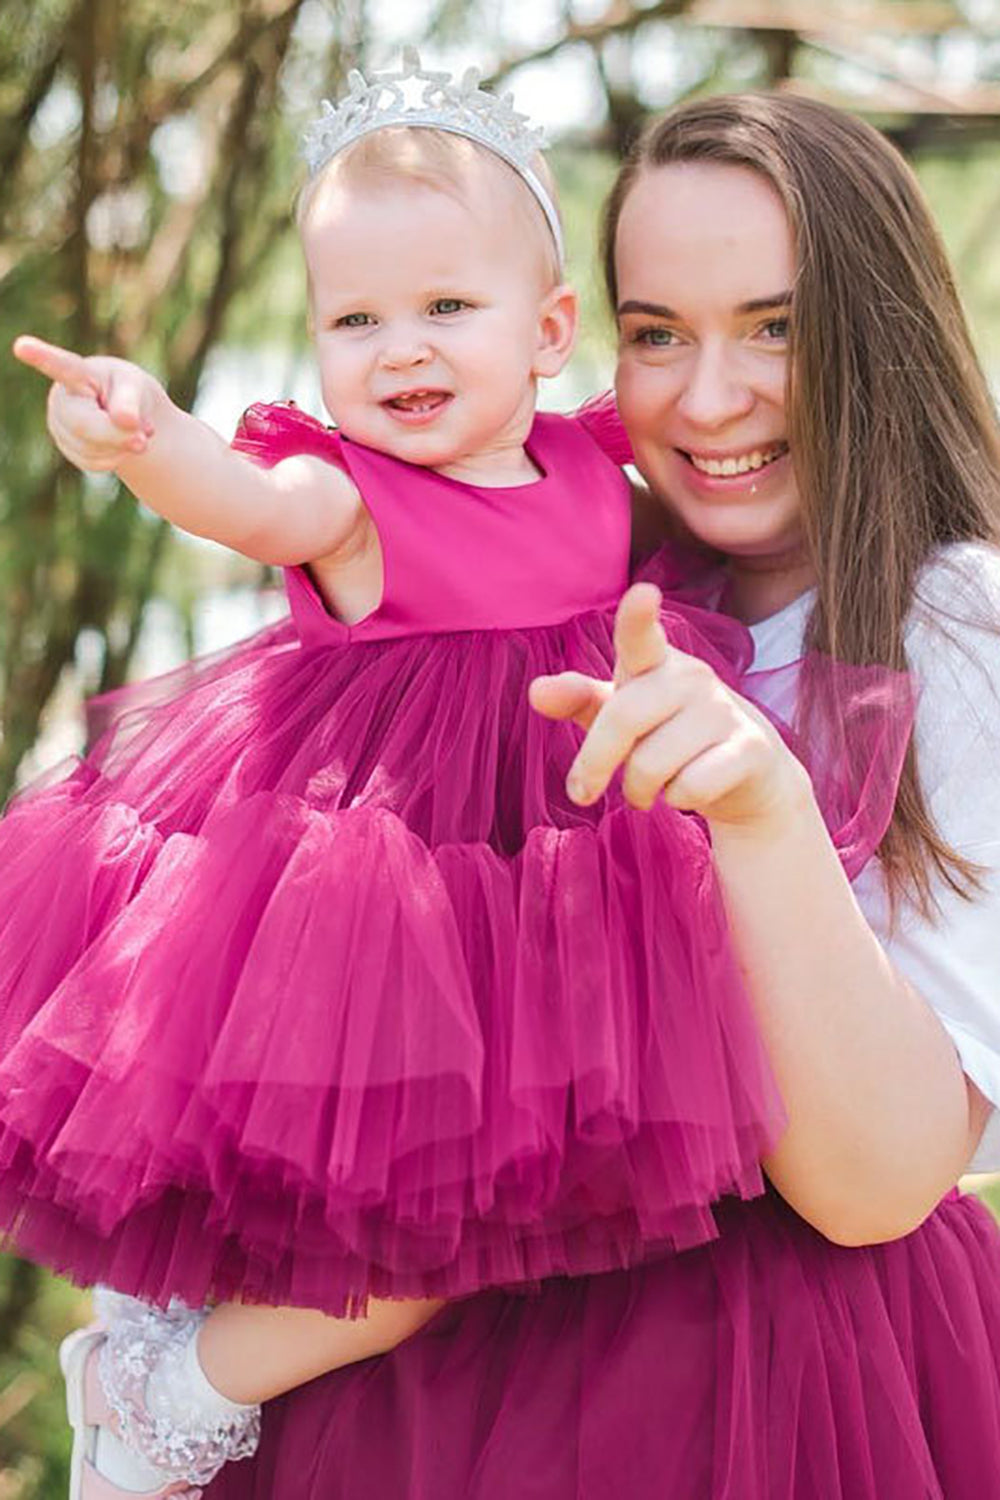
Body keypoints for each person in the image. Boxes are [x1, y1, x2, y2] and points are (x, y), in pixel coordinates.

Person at [0, 63, 875, 1499]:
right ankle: (163, 1391)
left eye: (445, 311)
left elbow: (734, 499)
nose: (399, 351)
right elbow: (248, 500)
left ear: (547, 334)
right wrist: (149, 440)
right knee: (413, 1259)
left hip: (559, 898)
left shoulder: (597, 472)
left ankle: (193, 1348)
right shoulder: (351, 495)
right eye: (356, 319)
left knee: (492, 1244)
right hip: (392, 895)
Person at [202, 92, 1000, 1500]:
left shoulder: (957, 628)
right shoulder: (550, 581)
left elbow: (880, 1179)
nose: (706, 397)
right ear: (582, 334)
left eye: (776, 324)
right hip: (432, 1381)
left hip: (772, 1384)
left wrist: (758, 814)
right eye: (656, 333)